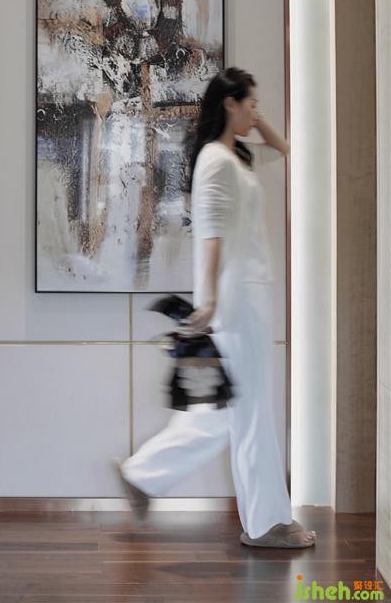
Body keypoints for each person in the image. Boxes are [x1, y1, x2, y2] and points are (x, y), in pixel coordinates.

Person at [114, 66, 317, 549]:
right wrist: (208, 301)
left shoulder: (233, 156)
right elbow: (211, 233)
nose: (255, 114)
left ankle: (144, 476)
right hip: (237, 298)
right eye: (250, 104)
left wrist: (254, 116)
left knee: (233, 408)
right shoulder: (216, 161)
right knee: (248, 409)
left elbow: (283, 149)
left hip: (248, 294)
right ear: (229, 103)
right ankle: (266, 522)